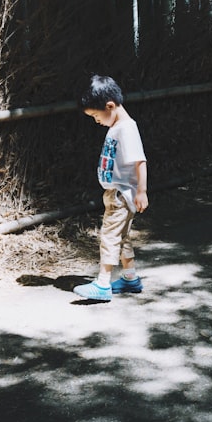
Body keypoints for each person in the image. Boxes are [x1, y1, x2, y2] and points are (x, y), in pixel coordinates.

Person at [73, 75, 149, 302]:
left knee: (109, 237)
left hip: (120, 195)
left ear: (110, 106)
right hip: (115, 194)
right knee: (122, 237)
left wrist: (142, 191)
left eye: (96, 115)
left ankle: (103, 283)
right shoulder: (118, 126)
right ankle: (130, 278)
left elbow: (140, 161)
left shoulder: (126, 128)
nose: (96, 120)